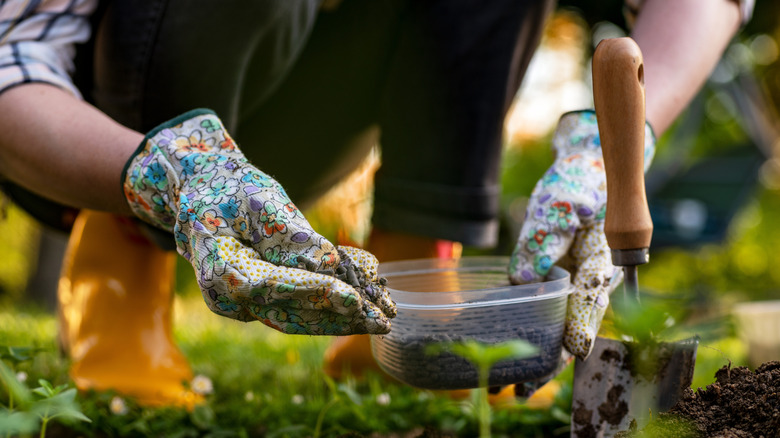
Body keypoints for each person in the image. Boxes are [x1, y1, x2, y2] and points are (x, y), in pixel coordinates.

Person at [0, 0, 751, 406]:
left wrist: (610, 151)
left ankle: (412, 296)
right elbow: (11, 60)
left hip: (302, 126)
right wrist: (171, 173)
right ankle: (119, 279)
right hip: (92, 137)